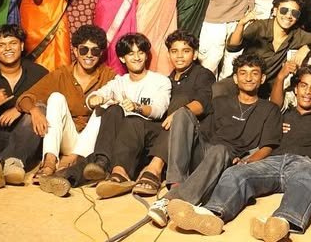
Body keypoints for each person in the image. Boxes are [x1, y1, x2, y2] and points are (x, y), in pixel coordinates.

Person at [187, 65, 311, 240]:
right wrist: (249, 158)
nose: (308, 92)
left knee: (307, 177)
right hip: (272, 161)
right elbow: (269, 115)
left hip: (303, 162)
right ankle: (212, 214)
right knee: (235, 173)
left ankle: (282, 222)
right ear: (295, 89)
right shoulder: (280, 113)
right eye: (303, 86)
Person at [150, 54, 282, 231]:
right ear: (235, 78)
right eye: (243, 73)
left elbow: (267, 146)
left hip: (229, 161)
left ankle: (171, 201)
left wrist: (247, 162)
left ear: (262, 78)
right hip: (205, 154)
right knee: (182, 113)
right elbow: (204, 134)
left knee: (220, 150)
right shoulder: (220, 102)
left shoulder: (269, 109)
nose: (248, 78)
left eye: (254, 73)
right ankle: (176, 184)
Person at [19, 25, 115, 197]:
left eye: (95, 51)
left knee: (105, 105)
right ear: (76, 51)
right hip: (68, 138)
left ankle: (71, 161)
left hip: (92, 143)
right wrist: (35, 111)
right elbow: (25, 98)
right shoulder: (62, 75)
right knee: (56, 97)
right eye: (84, 49)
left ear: (100, 53)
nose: (89, 55)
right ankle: (49, 162)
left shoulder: (109, 76)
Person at [82, 33, 172, 199]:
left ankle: (120, 173)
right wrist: (94, 99)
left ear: (146, 55)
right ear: (123, 59)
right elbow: (96, 96)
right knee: (113, 110)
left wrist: (137, 107)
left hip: (149, 136)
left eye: (140, 53)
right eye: (131, 54)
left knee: (133, 120)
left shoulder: (160, 81)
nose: (137, 58)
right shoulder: (119, 82)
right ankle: (98, 164)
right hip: (123, 141)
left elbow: (159, 110)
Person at [0, 24, 48, 190]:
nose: (8, 49)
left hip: (24, 140)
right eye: (1, 45)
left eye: (13, 43)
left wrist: (23, 108)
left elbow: (50, 104)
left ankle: (12, 163)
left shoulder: (39, 73)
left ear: (22, 46)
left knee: (39, 110)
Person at [226, 0, 311, 97]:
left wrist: (308, 47)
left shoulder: (298, 35)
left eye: (294, 13)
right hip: (244, 82)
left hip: (267, 91)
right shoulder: (259, 27)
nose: (288, 16)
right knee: (219, 89)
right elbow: (233, 47)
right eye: (284, 10)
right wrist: (241, 24)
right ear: (275, 11)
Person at [157, 30, 216, 190]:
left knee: (181, 101)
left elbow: (203, 103)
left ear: (195, 55)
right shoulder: (166, 81)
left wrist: (178, 114)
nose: (179, 56)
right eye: (174, 51)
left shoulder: (203, 75)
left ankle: (164, 173)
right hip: (166, 138)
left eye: (186, 51)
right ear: (169, 54)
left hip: (195, 141)